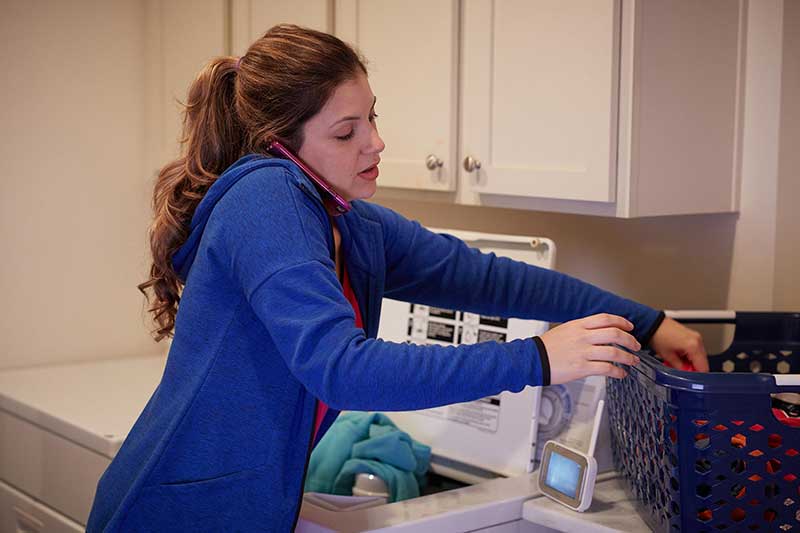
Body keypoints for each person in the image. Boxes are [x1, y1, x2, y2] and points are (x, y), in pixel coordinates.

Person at [86, 24, 707, 532]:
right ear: (281, 144)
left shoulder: (351, 224)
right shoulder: (266, 201)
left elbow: (491, 280)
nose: (376, 143)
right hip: (179, 510)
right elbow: (344, 368)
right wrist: (537, 359)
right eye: (346, 132)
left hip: (244, 502)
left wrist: (649, 320)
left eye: (372, 118)